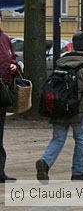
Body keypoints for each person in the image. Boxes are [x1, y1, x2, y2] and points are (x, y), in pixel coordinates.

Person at [35, 32, 83, 181]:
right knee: (81, 138)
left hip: (58, 107)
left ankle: (45, 161)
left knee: (57, 138)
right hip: (77, 111)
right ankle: (77, 172)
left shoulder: (61, 62)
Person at [0, 16, 19, 183]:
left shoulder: (5, 39)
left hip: (3, 89)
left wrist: (13, 66)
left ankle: (0, 172)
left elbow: (12, 58)